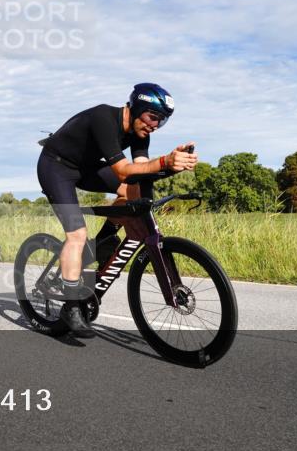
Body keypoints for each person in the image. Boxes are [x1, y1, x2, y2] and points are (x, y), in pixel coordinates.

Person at [37, 83, 197, 336]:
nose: (155, 125)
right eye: (152, 117)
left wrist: (171, 167)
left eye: (162, 121)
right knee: (77, 235)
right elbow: (123, 171)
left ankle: (101, 243)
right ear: (136, 108)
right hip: (56, 166)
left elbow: (140, 173)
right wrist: (164, 161)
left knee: (132, 191)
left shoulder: (141, 133)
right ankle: (71, 306)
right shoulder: (103, 117)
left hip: (86, 168)